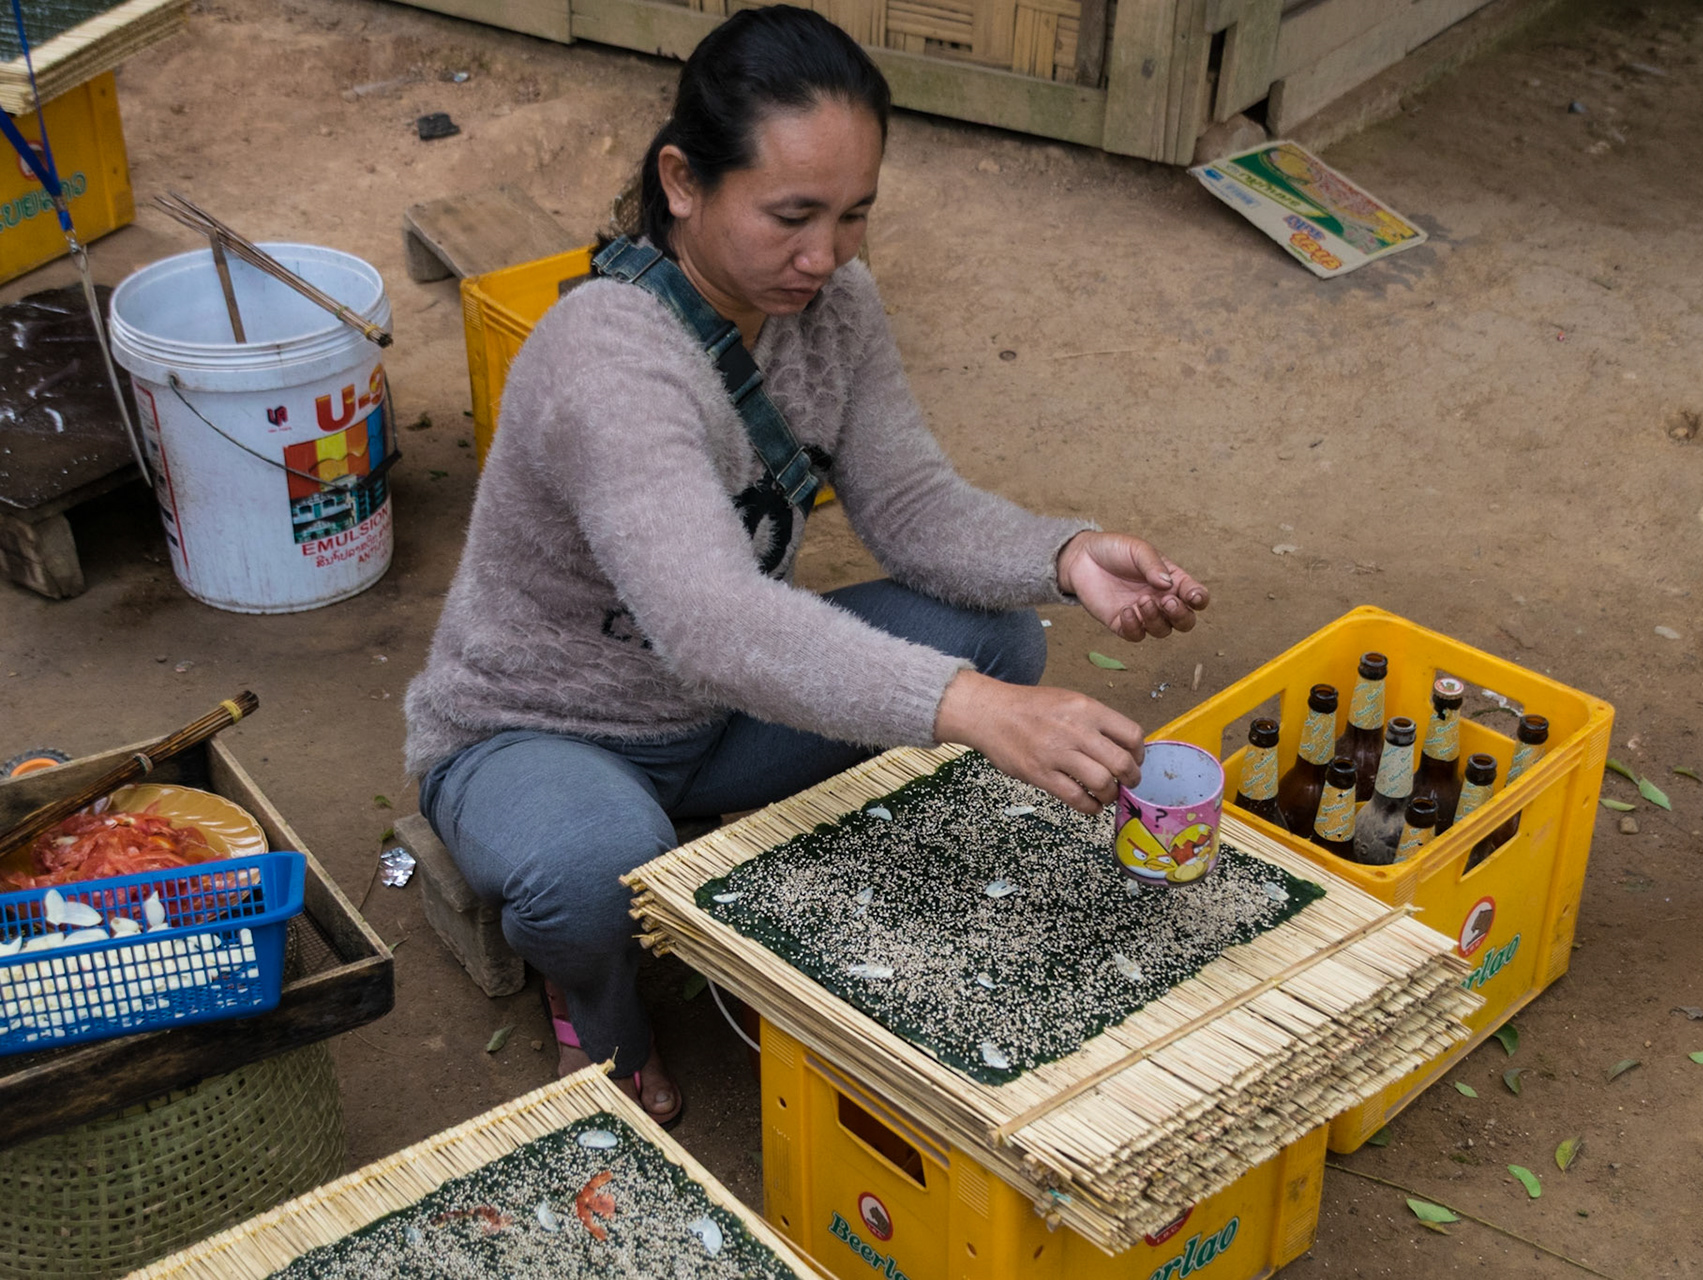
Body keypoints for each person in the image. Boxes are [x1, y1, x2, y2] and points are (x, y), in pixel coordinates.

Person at [403, 5, 1208, 1128]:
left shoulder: (833, 305)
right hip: (539, 731)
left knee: (998, 635)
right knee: (599, 865)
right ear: (683, 182)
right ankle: (594, 997)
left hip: (717, 720)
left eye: (854, 215)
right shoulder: (609, 356)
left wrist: (1066, 554)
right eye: (791, 216)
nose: (824, 256)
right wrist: (970, 709)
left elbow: (914, 505)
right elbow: (715, 623)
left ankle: (729, 866)